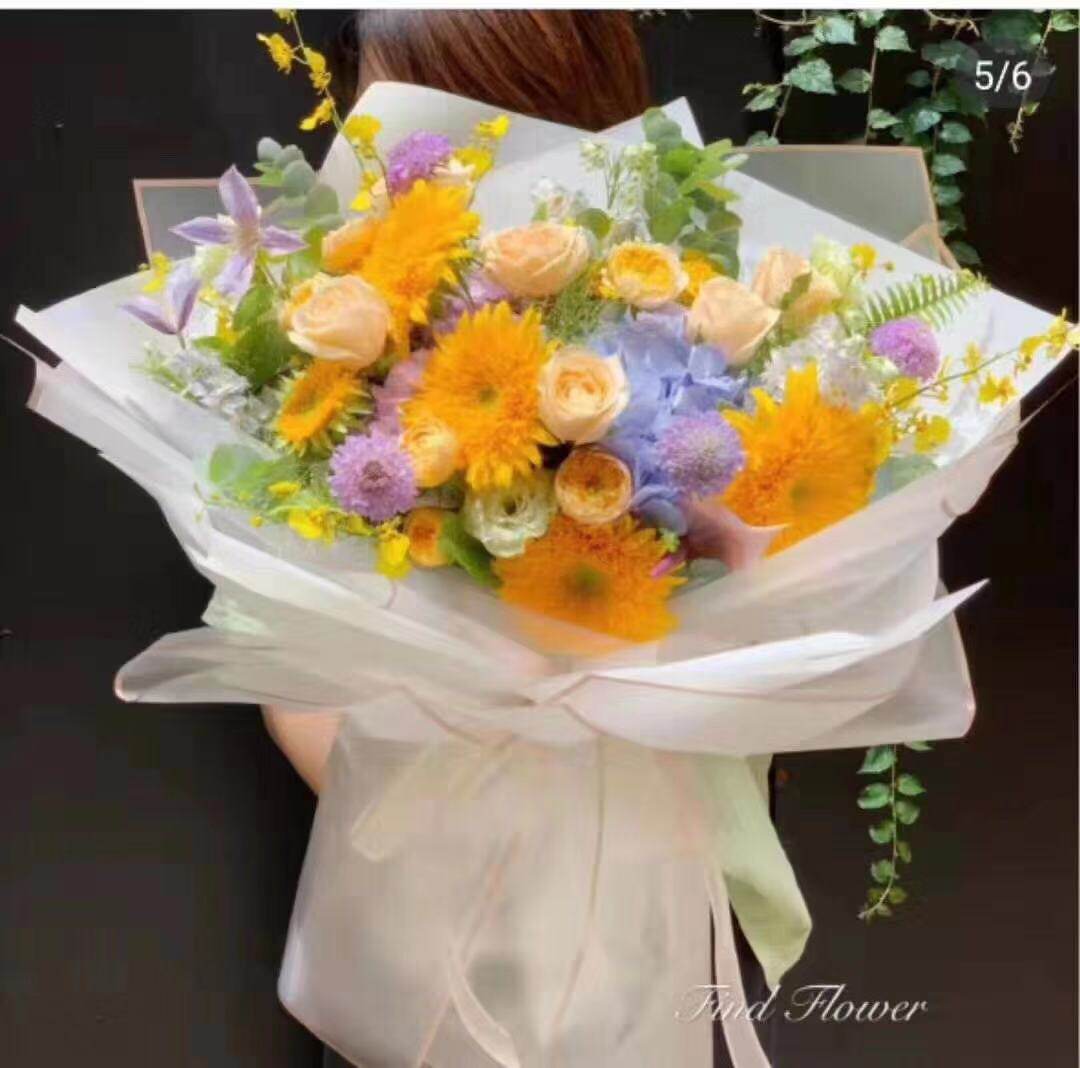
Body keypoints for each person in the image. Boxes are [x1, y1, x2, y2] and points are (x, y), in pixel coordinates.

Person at [263, 12, 774, 1067]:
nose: (395, 144)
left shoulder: (696, 319)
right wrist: (461, 788)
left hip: (634, 898)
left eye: (429, 106)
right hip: (413, 901)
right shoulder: (341, 329)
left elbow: (769, 654)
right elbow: (281, 660)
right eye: (376, 104)